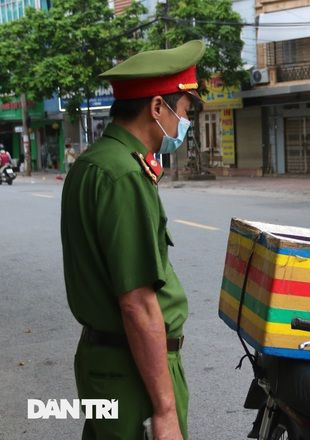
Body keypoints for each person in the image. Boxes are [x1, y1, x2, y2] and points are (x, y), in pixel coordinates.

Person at [60, 40, 205, 440]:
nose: (182, 126)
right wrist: (164, 410)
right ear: (157, 108)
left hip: (109, 364)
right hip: (134, 372)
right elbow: (138, 304)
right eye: (183, 113)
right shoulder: (124, 175)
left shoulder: (93, 164)